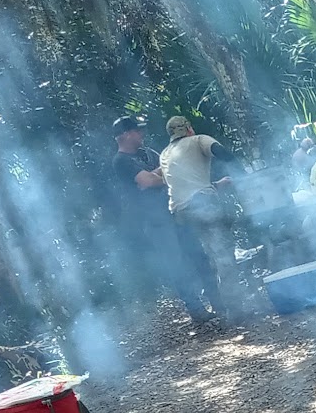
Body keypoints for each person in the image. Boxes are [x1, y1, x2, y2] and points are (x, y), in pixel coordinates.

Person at [111, 114, 216, 323]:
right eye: (137, 130)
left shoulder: (148, 152)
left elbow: (165, 173)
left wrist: (161, 174)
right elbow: (148, 181)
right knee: (176, 264)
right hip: (155, 222)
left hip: (175, 211)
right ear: (125, 135)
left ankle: (218, 301)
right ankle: (196, 310)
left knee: (199, 256)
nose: (142, 134)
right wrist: (165, 173)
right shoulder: (121, 162)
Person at [160, 115, 259, 316]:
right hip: (202, 206)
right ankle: (236, 311)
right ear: (188, 129)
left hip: (180, 216)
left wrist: (214, 185)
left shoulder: (164, 154)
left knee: (205, 260)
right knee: (223, 256)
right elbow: (223, 154)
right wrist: (245, 178)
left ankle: (218, 305)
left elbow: (183, 185)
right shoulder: (199, 140)